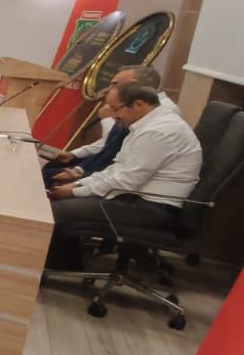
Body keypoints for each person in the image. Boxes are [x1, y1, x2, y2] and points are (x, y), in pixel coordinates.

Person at [44, 83, 201, 270]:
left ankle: (58, 267)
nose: (113, 115)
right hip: (136, 198)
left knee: (54, 210)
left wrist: (76, 192)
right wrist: (78, 184)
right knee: (58, 201)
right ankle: (64, 263)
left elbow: (126, 181)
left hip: (152, 209)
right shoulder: (146, 125)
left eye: (116, 108)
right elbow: (117, 168)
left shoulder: (158, 132)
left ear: (139, 104)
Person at [43, 65, 168, 184]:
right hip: (106, 168)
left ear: (133, 86)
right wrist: (74, 156)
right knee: (52, 166)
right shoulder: (136, 107)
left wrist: (79, 180)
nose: (108, 89)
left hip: (117, 176)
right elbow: (108, 143)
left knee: (49, 176)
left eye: (115, 84)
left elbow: (118, 153)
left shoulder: (155, 114)